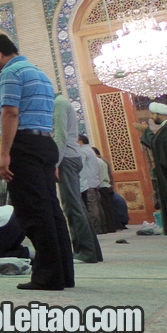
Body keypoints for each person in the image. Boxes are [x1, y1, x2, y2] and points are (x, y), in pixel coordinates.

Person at [0, 33, 74, 290]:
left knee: (33, 213)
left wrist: (4, 153)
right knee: (52, 212)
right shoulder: (39, 73)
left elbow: (10, 112)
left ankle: (47, 277)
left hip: (24, 146)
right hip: (45, 144)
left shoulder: (11, 74)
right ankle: (63, 273)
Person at [53, 94, 102, 263]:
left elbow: (60, 135)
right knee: (77, 205)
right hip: (69, 157)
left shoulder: (58, 104)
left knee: (72, 206)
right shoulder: (61, 102)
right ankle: (92, 251)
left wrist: (55, 163)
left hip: (66, 158)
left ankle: (85, 252)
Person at [133, 102, 167, 236]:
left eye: (153, 114)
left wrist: (146, 132)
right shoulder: (166, 128)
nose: (151, 116)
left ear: (160, 114)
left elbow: (158, 146)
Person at [77, 134, 103, 236]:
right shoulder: (90, 150)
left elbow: (80, 165)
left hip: (87, 182)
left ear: (80, 142)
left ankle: (95, 229)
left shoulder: (83, 151)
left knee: (92, 207)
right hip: (94, 181)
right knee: (97, 205)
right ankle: (101, 227)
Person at [93, 147, 117, 235]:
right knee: (109, 209)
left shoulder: (96, 161)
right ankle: (112, 227)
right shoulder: (102, 161)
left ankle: (107, 228)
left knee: (105, 209)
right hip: (107, 185)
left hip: (102, 186)